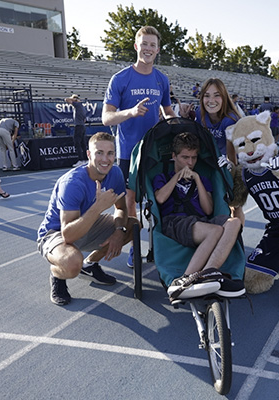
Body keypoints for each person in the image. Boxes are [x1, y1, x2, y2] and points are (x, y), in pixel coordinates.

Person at [102, 25, 176, 266]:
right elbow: (106, 117)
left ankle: (161, 245)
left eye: (152, 45)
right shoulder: (120, 78)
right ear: (136, 46)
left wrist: (178, 122)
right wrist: (131, 112)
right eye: (144, 44)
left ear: (157, 50)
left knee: (159, 199)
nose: (148, 49)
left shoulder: (161, 79)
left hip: (155, 151)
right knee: (130, 202)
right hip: (127, 153)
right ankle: (135, 246)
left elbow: (167, 112)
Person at [37, 132, 139, 305]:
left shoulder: (115, 173)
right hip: (56, 233)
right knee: (71, 263)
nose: (105, 159)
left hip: (88, 224)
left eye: (110, 153)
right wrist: (98, 207)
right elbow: (68, 235)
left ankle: (90, 264)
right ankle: (57, 274)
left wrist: (118, 231)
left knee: (133, 225)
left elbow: (121, 208)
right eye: (99, 152)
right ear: (89, 154)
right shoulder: (72, 183)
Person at [152, 132, 244, 301]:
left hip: (201, 221)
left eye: (194, 158)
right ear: (174, 156)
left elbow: (208, 210)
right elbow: (160, 198)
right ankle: (185, 280)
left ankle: (209, 272)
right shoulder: (162, 177)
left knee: (234, 222)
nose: (190, 162)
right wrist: (177, 176)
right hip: (175, 221)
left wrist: (197, 180)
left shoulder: (201, 179)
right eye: (185, 157)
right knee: (215, 231)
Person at [195, 78, 240, 165]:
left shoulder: (230, 121)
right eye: (207, 96)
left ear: (224, 98)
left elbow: (233, 161)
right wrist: (185, 116)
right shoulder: (200, 112)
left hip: (226, 164)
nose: (211, 101)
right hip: (208, 160)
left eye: (217, 95)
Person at [64, 94, 87, 167]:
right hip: (82, 126)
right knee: (83, 144)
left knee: (77, 143)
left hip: (79, 126)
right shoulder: (82, 106)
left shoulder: (77, 105)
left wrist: (73, 99)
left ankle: (81, 160)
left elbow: (66, 99)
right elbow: (85, 119)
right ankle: (85, 159)